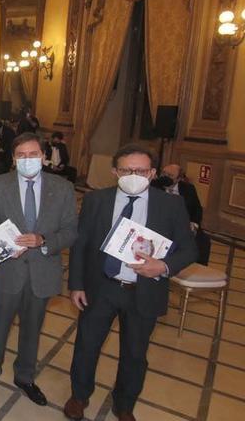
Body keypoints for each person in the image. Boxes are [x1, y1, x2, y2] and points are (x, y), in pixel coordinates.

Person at [64, 145, 197, 421]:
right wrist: (76, 284)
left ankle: (124, 404)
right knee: (87, 345)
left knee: (135, 354)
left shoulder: (170, 205)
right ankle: (79, 395)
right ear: (115, 171)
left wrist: (163, 265)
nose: (133, 175)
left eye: (140, 170)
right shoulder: (96, 200)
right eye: (126, 170)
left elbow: (189, 249)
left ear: (152, 173)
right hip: (101, 287)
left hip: (143, 290)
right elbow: (81, 245)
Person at [0, 132, 78, 406]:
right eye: (21, 155)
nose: (27, 160)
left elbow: (70, 231)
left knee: (32, 329)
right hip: (7, 270)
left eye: (33, 154)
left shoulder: (62, 188)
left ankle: (25, 376)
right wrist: (4, 246)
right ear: (13, 159)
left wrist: (43, 240)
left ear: (43, 157)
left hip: (42, 270)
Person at [152, 164, 210, 265]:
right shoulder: (154, 187)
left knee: (203, 240)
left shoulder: (188, 188)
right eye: (164, 173)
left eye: (170, 175)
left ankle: (197, 267)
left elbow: (197, 209)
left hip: (184, 224)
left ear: (179, 179)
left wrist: (194, 224)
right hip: (162, 225)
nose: (165, 177)